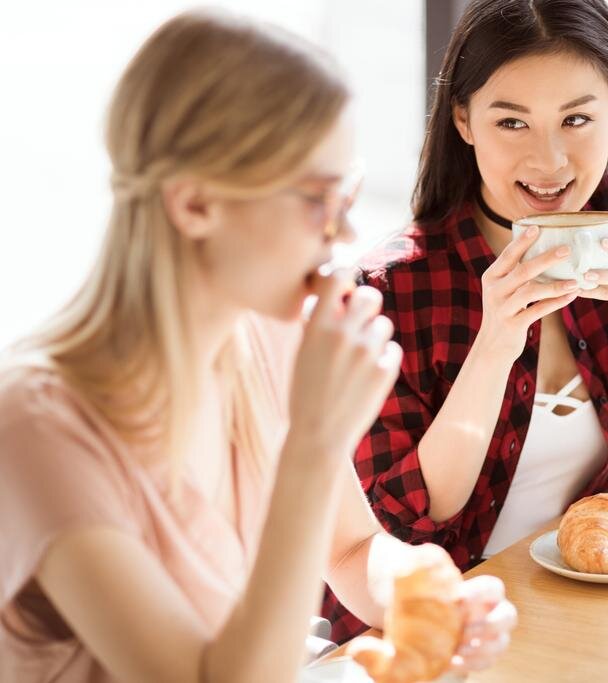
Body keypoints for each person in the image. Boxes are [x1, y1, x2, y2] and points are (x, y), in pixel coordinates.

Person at [0, 10, 514, 682]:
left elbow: (353, 546)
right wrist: (314, 441)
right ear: (194, 204)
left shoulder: (270, 332)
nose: (347, 229)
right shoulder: (38, 427)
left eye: (349, 191)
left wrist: (419, 585)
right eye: (321, 199)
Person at [322, 0, 608, 638]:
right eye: (512, 122)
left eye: (578, 119)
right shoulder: (389, 286)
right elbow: (409, 524)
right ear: (464, 119)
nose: (550, 162)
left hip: (584, 605)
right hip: (441, 627)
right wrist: (497, 340)